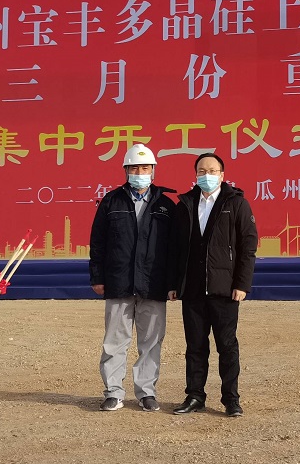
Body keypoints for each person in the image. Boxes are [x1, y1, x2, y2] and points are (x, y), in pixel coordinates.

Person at [89, 144, 178, 412]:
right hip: (119, 282)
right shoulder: (111, 201)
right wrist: (98, 277)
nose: (140, 173)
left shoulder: (165, 205)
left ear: (153, 170)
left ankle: (146, 392)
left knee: (151, 342)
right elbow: (98, 243)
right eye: (134, 168)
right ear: (126, 171)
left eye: (145, 168)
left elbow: (174, 249)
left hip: (153, 283)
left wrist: (172, 283)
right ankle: (113, 392)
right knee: (115, 341)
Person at [170, 153, 258, 417]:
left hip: (225, 289)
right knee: (195, 346)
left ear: (222, 175)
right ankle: (195, 396)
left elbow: (248, 247)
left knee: (227, 346)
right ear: (195, 175)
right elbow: (175, 249)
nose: (206, 175)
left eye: (212, 171)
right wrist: (174, 283)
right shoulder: (185, 204)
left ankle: (231, 400)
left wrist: (242, 284)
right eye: (201, 171)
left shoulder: (236, 203)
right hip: (193, 289)